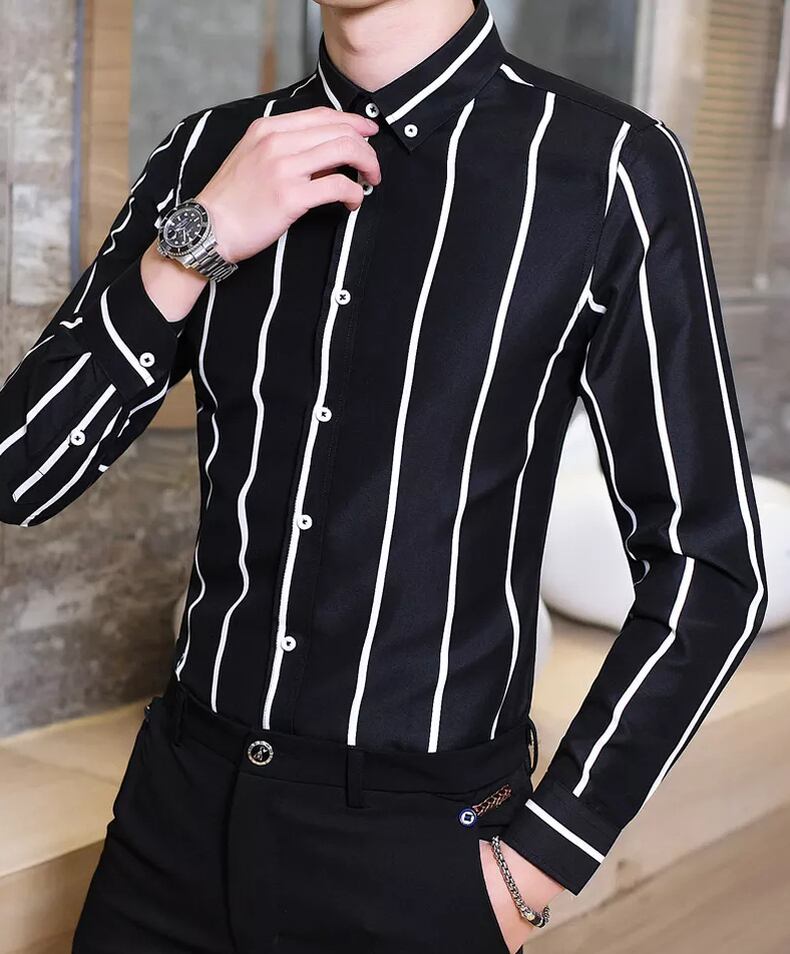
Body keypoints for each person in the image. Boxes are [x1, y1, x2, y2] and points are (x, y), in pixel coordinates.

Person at [0, 0, 768, 951]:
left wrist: (541, 860)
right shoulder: (206, 154)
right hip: (174, 815)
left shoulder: (608, 169)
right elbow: (23, 470)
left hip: (420, 852)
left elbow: (710, 569)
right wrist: (196, 244)